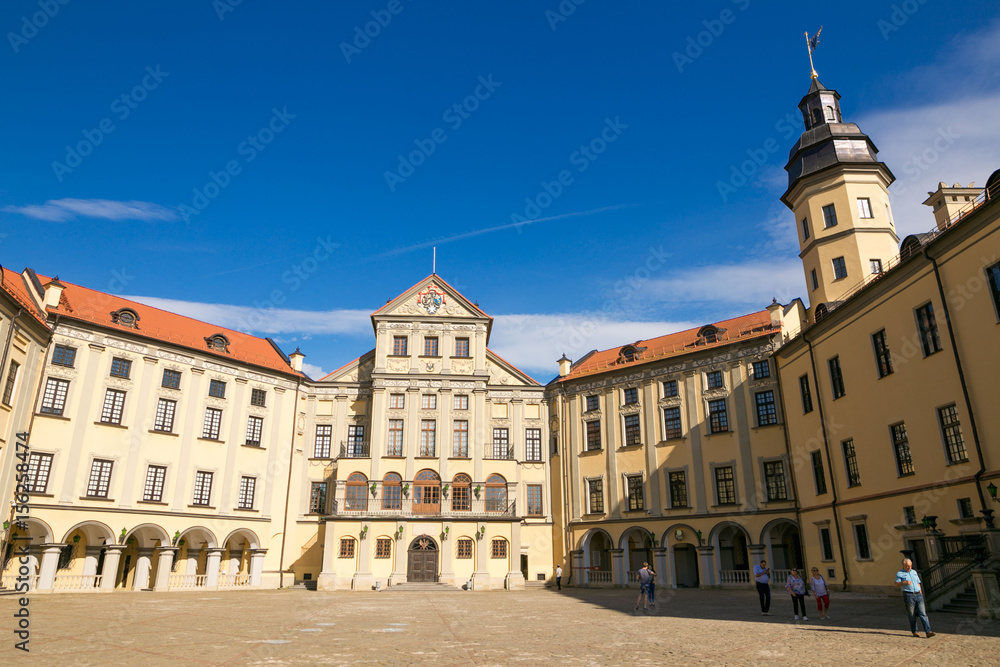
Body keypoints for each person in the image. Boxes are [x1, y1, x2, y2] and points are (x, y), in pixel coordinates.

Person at [894, 558, 935, 638]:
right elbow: (896, 584)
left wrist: (920, 593)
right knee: (912, 614)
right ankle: (915, 631)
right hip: (909, 595)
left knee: (923, 613)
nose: (909, 567)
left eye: (910, 565)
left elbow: (918, 582)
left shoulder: (914, 572)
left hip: (918, 594)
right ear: (903, 565)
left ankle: (928, 631)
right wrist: (903, 583)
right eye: (907, 566)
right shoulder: (900, 573)